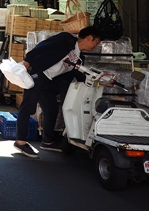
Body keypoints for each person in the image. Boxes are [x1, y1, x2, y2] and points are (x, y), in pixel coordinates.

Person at [14, 26, 102, 158]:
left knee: (51, 109)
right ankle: (20, 142)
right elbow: (43, 46)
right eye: (96, 42)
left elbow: (79, 74)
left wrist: (97, 80)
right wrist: (27, 61)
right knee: (28, 107)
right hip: (39, 73)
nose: (96, 46)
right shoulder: (66, 39)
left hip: (49, 81)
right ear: (90, 38)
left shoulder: (80, 57)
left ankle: (47, 141)